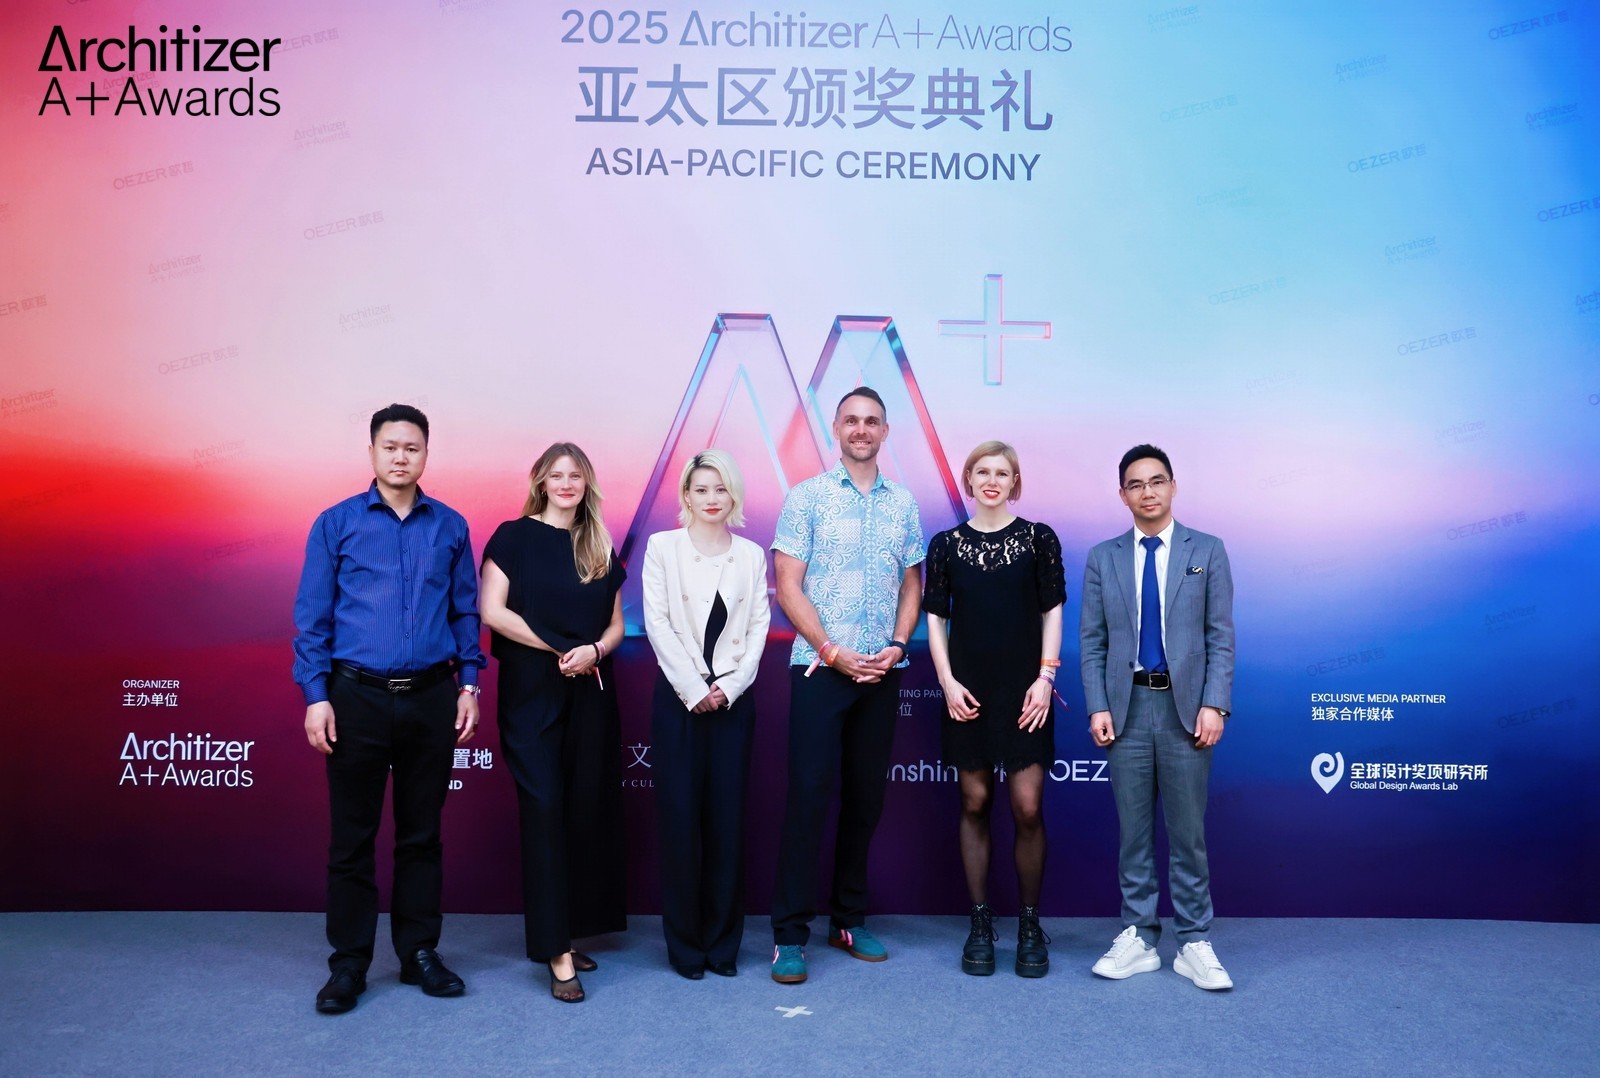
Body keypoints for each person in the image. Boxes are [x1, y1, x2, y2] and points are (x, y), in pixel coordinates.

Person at [292, 403, 483, 1016]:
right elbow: (312, 619)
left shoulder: (450, 527)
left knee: (421, 835)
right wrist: (316, 696)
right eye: (391, 446)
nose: (401, 457)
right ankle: (349, 963)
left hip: (431, 696)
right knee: (352, 839)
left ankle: (419, 952)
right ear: (372, 451)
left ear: (426, 454)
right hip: (355, 696)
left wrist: (469, 685)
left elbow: (464, 612)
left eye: (412, 448)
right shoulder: (336, 524)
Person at [768, 386, 925, 985]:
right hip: (819, 670)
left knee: (865, 800)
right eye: (851, 420)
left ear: (885, 431)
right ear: (836, 429)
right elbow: (788, 583)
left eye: (872, 421)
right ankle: (789, 934)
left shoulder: (903, 504)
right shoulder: (806, 497)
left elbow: (912, 583)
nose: (861, 429)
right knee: (808, 798)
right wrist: (832, 651)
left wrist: (898, 644)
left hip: (881, 673)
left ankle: (848, 920)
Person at [1080, 444, 1235, 990]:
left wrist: (1215, 703)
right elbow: (1092, 641)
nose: (1147, 492)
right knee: (1134, 833)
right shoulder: (1103, 557)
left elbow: (1220, 636)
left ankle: (1193, 941)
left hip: (1185, 710)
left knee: (1188, 833)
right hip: (1126, 708)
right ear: (1122, 494)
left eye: (1156, 481)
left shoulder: (1207, 550)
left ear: (1173, 486)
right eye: (1136, 484)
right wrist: (1098, 705)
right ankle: (1140, 938)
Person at [480, 442, 627, 1003]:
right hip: (531, 694)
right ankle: (556, 952)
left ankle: (566, 932)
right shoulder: (513, 537)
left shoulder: (597, 544)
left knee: (581, 811)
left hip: (589, 690)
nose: (566, 483)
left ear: (587, 484)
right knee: (543, 811)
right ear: (540, 481)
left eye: (575, 475)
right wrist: (558, 647)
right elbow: (493, 611)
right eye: (556, 474)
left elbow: (615, 626)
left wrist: (595, 650)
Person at [923, 441, 1064, 978]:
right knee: (975, 802)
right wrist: (946, 682)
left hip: (1027, 690)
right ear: (968, 479)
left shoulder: (1039, 538)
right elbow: (936, 618)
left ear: (1014, 482)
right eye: (982, 471)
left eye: (1002, 473)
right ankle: (980, 924)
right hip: (967, 690)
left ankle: (1029, 926)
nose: (991, 480)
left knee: (1027, 807)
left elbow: (1053, 611)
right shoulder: (946, 545)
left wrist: (1045, 679)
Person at [641, 449, 771, 979]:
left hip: (733, 703)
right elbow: (658, 622)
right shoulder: (662, 547)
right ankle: (685, 947)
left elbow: (759, 626)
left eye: (721, 489)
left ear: (733, 494)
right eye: (701, 489)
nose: (712, 498)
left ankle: (723, 946)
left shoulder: (751, 555)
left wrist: (729, 687)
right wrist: (695, 689)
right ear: (686, 496)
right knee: (679, 825)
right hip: (679, 700)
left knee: (726, 826)